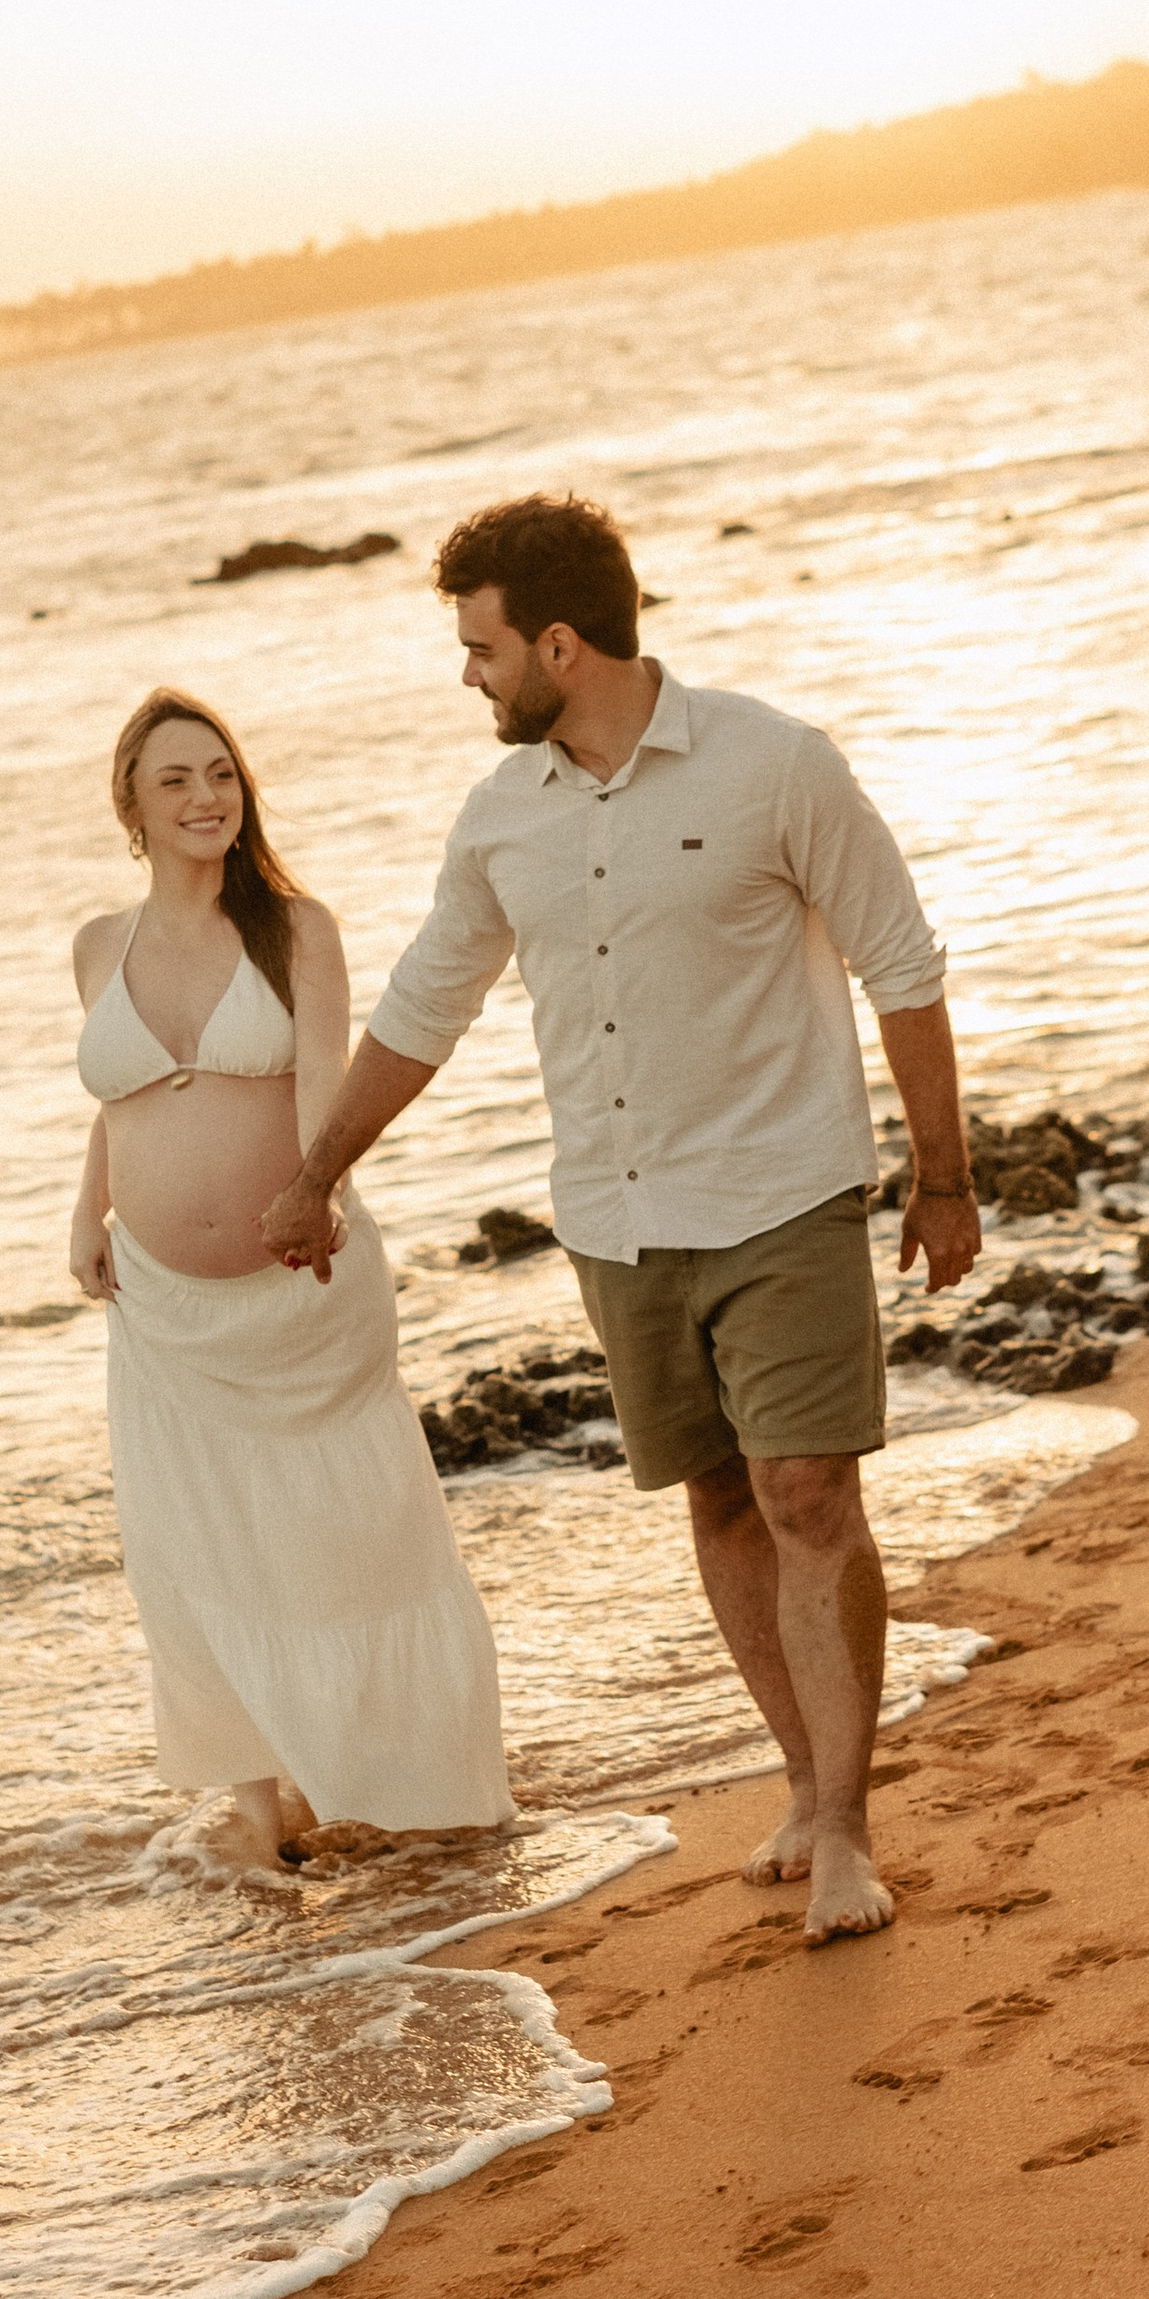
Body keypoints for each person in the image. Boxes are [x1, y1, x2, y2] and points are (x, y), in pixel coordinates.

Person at [259, 496, 979, 1942]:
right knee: (719, 1498)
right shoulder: (503, 818)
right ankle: (801, 1775)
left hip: (785, 1193)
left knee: (808, 1496)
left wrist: (944, 1171)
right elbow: (422, 1009)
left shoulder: (777, 764)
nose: (469, 675)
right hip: (616, 1219)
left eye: (481, 648)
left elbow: (901, 962)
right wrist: (318, 1166)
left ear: (562, 644)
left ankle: (845, 1826)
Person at [71, 686, 512, 1855]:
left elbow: (321, 1075)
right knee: (196, 1542)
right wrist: (86, 1211)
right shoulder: (95, 947)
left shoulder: (293, 927)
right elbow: (116, 1094)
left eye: (221, 774)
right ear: (132, 803)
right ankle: (259, 1817)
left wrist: (324, 1193)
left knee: (357, 1538)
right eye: (176, 780)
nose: (206, 797)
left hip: (300, 1295)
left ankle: (415, 1786)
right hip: (163, 1312)